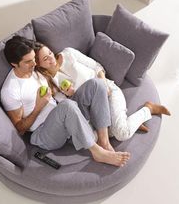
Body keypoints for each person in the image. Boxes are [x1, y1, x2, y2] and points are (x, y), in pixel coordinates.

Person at [0, 36, 130, 167]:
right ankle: (97, 152)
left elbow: (56, 96)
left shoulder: (36, 71)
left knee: (96, 84)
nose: (34, 64)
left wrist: (69, 93)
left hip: (63, 116)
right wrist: (38, 107)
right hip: (44, 132)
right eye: (28, 62)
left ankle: (104, 142)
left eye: (34, 58)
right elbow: (20, 129)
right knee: (67, 106)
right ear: (14, 64)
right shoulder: (10, 90)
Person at [33, 44, 171, 142]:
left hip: (108, 91)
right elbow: (70, 108)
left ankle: (148, 109)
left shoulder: (68, 53)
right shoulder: (51, 84)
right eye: (45, 59)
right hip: (93, 110)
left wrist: (103, 83)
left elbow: (96, 66)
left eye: (50, 53)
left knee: (122, 134)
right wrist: (71, 94)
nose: (51, 58)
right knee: (91, 137)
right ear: (39, 65)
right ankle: (124, 121)